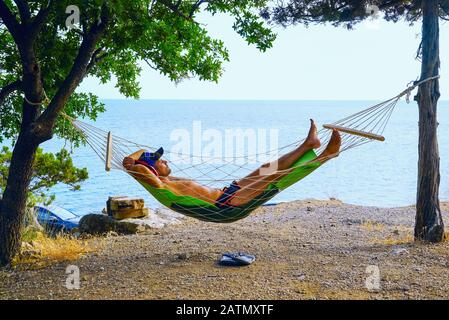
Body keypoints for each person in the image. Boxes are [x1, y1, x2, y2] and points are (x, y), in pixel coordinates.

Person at [122, 120, 341, 208]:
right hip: (228, 205)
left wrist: (136, 159)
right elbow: (141, 168)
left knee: (267, 168)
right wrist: (135, 164)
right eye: (160, 161)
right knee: (273, 177)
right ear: (150, 169)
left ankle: (308, 145)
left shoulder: (167, 179)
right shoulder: (161, 184)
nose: (165, 160)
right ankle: (327, 155)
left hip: (229, 191)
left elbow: (141, 157)